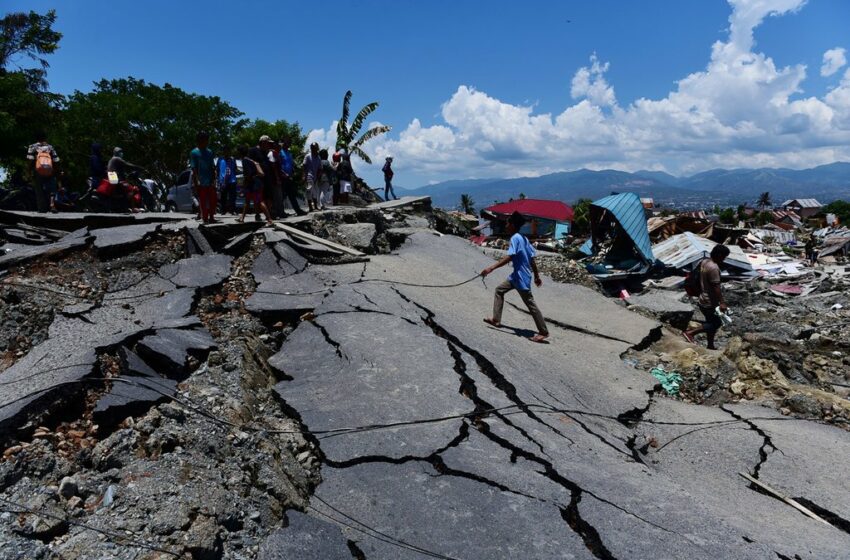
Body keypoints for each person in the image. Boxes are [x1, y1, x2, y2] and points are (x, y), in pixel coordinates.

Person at [480, 211, 549, 343]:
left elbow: (510, 256)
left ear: (512, 225)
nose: (506, 225)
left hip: (521, 277)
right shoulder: (523, 238)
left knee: (530, 304)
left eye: (507, 223)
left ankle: (543, 332)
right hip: (516, 276)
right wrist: (536, 276)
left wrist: (491, 268)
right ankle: (496, 319)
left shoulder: (515, 238)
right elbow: (532, 258)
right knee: (499, 290)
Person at [683, 244, 730, 350]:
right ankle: (690, 333)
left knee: (710, 322)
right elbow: (716, 287)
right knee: (716, 323)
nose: (724, 259)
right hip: (710, 301)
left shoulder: (705, 262)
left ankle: (710, 345)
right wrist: (722, 302)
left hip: (702, 297)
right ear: (719, 255)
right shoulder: (714, 268)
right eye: (724, 256)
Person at [237, 145, 273, 225]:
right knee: (247, 201)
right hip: (256, 184)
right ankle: (242, 218)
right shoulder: (251, 160)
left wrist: (245, 184)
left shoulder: (245, 161)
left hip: (254, 185)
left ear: (240, 153)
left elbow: (248, 174)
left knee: (259, 201)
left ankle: (269, 219)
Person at [26, 131, 61, 213]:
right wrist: (57, 172)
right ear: (45, 138)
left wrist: (28, 171)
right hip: (50, 170)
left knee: (39, 189)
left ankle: (42, 208)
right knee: (52, 187)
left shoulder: (32, 146)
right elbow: (56, 160)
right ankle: (52, 204)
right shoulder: (50, 147)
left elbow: (30, 160)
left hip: (38, 171)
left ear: (36, 138)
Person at [190, 132, 217, 223]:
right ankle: (205, 218)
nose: (207, 142)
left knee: (212, 199)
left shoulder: (210, 152)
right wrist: (197, 180)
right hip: (200, 180)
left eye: (207, 140)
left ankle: (212, 217)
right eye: (205, 140)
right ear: (200, 141)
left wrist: (214, 179)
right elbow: (194, 168)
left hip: (210, 179)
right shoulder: (194, 152)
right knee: (203, 200)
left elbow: (212, 166)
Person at [279, 137, 306, 216]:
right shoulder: (280, 152)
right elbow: (279, 165)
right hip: (282, 177)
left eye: (289, 142)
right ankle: (279, 212)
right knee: (282, 196)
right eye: (287, 142)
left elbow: (291, 164)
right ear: (283, 143)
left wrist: (294, 171)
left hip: (289, 177)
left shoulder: (289, 153)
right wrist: (283, 173)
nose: (288, 144)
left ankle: (298, 211)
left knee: (291, 195)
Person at [217, 146, 238, 214]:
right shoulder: (220, 159)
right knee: (223, 196)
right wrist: (219, 178)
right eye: (225, 151)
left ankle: (232, 210)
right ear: (223, 152)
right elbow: (217, 169)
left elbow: (235, 168)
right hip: (223, 181)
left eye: (228, 151)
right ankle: (223, 210)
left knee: (232, 196)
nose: (226, 152)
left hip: (232, 180)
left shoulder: (233, 159)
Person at [302, 142, 322, 212]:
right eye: (313, 148)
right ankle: (310, 207)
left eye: (315, 148)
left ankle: (315, 206)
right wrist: (304, 175)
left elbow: (320, 168)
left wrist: (318, 176)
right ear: (311, 148)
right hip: (309, 176)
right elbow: (304, 166)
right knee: (309, 191)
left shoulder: (318, 157)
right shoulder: (308, 156)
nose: (314, 149)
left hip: (315, 177)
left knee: (315, 192)